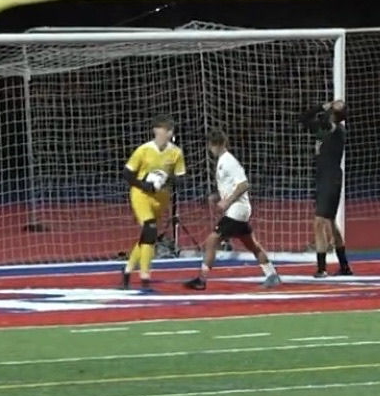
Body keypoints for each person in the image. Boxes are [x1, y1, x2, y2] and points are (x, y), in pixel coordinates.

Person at [184, 129, 281, 290]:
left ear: (222, 144)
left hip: (237, 209)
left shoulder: (229, 161)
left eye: (214, 144)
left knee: (212, 240)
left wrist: (227, 201)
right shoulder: (223, 161)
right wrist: (217, 197)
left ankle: (201, 280)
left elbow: (244, 184)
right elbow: (231, 186)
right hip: (238, 210)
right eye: (211, 145)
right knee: (252, 244)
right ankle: (272, 275)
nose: (212, 148)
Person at [120, 116, 187, 291]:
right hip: (141, 195)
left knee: (147, 235)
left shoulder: (176, 152)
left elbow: (180, 178)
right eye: (167, 129)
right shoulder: (143, 150)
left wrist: (166, 180)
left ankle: (127, 270)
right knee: (150, 229)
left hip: (161, 198)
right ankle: (145, 276)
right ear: (157, 131)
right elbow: (127, 174)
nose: (171, 133)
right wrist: (144, 185)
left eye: (172, 130)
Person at [299, 100, 352, 277]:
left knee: (319, 222)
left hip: (331, 179)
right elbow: (304, 118)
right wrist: (322, 106)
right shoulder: (323, 131)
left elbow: (328, 122)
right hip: (323, 179)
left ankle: (321, 268)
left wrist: (330, 110)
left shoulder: (338, 130)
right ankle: (344, 266)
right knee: (329, 222)